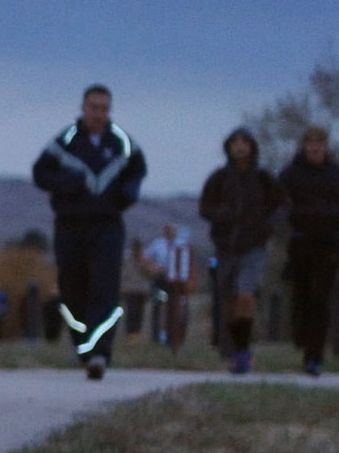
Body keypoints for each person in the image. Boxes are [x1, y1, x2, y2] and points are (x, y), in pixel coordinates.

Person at [32, 85, 147, 379]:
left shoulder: (121, 142)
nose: (98, 114)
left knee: (104, 288)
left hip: (107, 225)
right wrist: (65, 183)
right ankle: (82, 346)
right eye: (93, 107)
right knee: (72, 288)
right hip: (70, 224)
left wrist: (127, 193)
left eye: (104, 108)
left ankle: (99, 353)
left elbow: (137, 170)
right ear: (83, 108)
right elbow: (40, 173)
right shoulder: (66, 140)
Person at [199, 127, 285, 374]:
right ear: (229, 147)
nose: (240, 146)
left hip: (254, 246)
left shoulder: (263, 178)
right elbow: (205, 207)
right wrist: (221, 215)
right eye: (235, 142)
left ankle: (244, 352)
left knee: (246, 295)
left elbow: (283, 204)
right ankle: (235, 348)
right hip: (226, 247)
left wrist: (268, 224)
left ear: (251, 146)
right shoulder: (219, 178)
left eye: (244, 142)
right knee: (229, 302)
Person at [280, 124, 339, 376]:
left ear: (326, 147)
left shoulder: (335, 174)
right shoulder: (290, 174)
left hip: (329, 244)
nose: (315, 148)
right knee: (302, 296)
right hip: (301, 242)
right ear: (304, 146)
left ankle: (314, 356)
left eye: (319, 143)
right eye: (311, 143)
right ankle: (302, 336)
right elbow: (278, 203)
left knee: (319, 299)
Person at [136, 223, 196, 350]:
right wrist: (153, 268)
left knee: (180, 307)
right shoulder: (157, 244)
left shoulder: (182, 244)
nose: (170, 232)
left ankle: (178, 337)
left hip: (179, 281)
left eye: (172, 230)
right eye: (167, 230)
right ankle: (157, 337)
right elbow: (145, 259)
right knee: (159, 305)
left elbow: (190, 261)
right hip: (161, 280)